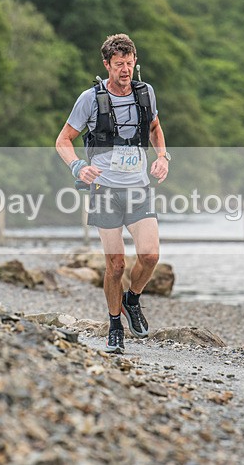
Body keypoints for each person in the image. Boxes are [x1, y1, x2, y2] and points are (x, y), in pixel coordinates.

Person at [55, 33, 170, 354]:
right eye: (119, 64)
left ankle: (133, 299)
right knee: (115, 265)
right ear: (106, 64)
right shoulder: (89, 99)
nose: (125, 70)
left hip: (138, 189)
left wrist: (163, 157)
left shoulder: (145, 93)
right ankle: (115, 325)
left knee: (150, 256)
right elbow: (63, 140)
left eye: (130, 64)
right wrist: (78, 167)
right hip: (105, 190)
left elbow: (156, 129)